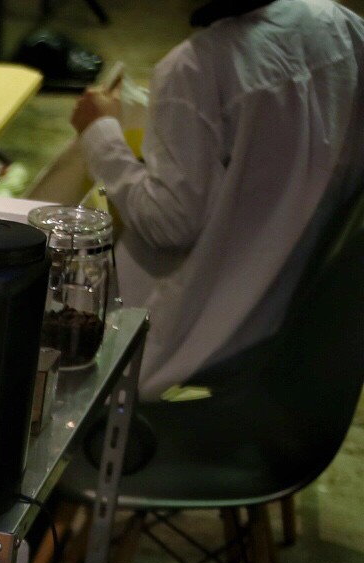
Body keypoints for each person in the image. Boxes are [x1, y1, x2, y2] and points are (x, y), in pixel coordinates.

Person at [72, 0, 364, 395]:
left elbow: (168, 224)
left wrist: (99, 133)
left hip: (216, 329)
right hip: (305, 309)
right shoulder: (338, 22)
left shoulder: (196, 69)